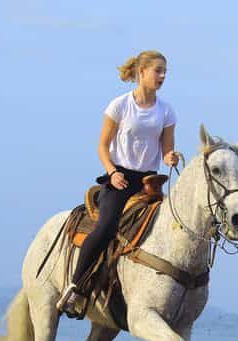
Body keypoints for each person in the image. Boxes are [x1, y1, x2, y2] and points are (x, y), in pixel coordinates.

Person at [57, 50, 179, 316]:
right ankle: (74, 287)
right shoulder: (120, 105)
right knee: (106, 227)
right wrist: (112, 172)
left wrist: (171, 157)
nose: (162, 76)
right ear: (141, 72)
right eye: (158, 71)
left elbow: (167, 148)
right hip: (120, 178)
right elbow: (102, 145)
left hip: (149, 182)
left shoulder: (166, 111)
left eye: (164, 72)